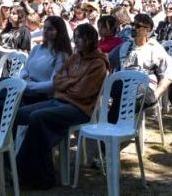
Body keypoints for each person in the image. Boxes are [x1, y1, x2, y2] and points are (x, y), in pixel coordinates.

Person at [15, 24, 109, 190]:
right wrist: (71, 83)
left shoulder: (98, 64)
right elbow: (57, 80)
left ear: (89, 40)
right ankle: (18, 164)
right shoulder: (75, 57)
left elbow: (81, 93)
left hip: (79, 109)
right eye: (75, 37)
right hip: (61, 101)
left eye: (79, 37)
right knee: (20, 113)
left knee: (38, 118)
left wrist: (66, 84)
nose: (76, 41)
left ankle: (40, 175)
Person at [115, 13, 172, 115]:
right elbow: (109, 61)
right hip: (125, 84)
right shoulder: (125, 46)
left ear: (147, 30)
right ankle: (119, 121)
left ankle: (120, 121)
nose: (133, 28)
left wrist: (155, 95)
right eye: (133, 24)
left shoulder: (155, 48)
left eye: (138, 26)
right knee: (114, 86)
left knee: (130, 94)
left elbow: (168, 76)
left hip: (144, 86)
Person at [18, 16, 72, 104]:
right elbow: (25, 69)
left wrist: (28, 86)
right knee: (0, 87)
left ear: (59, 32)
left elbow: (53, 84)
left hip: (40, 95)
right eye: (45, 28)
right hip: (25, 88)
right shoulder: (37, 48)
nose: (46, 31)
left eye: (50, 29)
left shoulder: (61, 55)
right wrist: (22, 79)